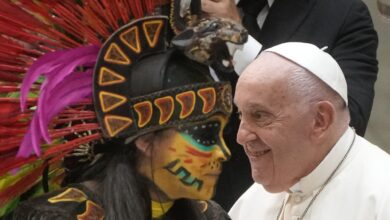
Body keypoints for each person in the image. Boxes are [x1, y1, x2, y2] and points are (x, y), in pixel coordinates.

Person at [0, 2, 248, 219]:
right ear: (146, 140)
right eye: (205, 133)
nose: (223, 151)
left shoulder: (210, 215)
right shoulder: (57, 217)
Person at [202, 0, 379, 209]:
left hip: (304, 199)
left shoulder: (341, 13)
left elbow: (347, 122)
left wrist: (240, 44)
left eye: (258, 115)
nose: (244, 135)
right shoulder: (178, 8)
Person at [229, 42, 390, 220]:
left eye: (259, 115)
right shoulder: (255, 200)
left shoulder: (383, 197)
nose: (241, 136)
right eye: (240, 114)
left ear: (320, 120)